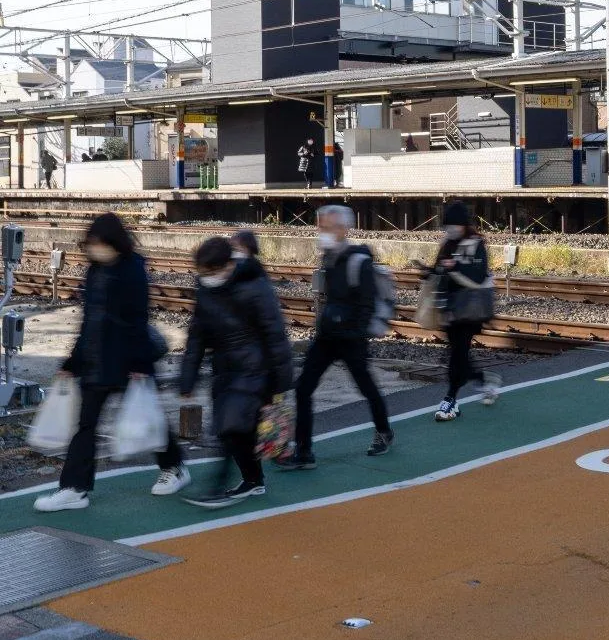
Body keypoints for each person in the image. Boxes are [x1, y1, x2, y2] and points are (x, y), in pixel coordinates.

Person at [34, 213, 190, 512]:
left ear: (113, 243)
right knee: (86, 426)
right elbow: (88, 321)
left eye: (98, 243)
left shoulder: (132, 271)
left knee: (150, 419)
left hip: (129, 361)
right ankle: (74, 489)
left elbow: (137, 321)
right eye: (91, 243)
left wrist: (140, 364)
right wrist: (73, 361)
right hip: (96, 362)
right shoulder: (95, 272)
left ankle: (175, 467)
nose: (93, 248)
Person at [178, 236, 294, 508]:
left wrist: (281, 382)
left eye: (212, 271)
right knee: (233, 431)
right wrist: (188, 377)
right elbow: (197, 335)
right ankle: (253, 481)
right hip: (225, 369)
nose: (208, 278)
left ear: (229, 265)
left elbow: (275, 335)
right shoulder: (206, 289)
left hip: (256, 370)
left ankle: (217, 487)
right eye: (203, 273)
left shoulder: (255, 286)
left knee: (229, 427)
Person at [276, 205, 394, 469]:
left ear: (343, 229)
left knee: (366, 387)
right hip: (328, 336)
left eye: (327, 227)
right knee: (304, 388)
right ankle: (304, 452)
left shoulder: (358, 261)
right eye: (321, 227)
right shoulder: (329, 257)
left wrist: (355, 332)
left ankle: (384, 431)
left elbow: (366, 304)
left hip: (351, 338)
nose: (322, 232)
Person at [425, 202, 500, 422]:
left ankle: (450, 400)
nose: (451, 230)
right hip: (450, 307)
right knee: (459, 352)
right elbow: (439, 269)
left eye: (455, 225)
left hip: (471, 306)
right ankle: (485, 381)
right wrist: (428, 271)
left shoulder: (476, 244)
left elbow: (478, 275)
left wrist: (453, 267)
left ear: (464, 225)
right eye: (448, 225)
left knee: (458, 353)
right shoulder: (447, 243)